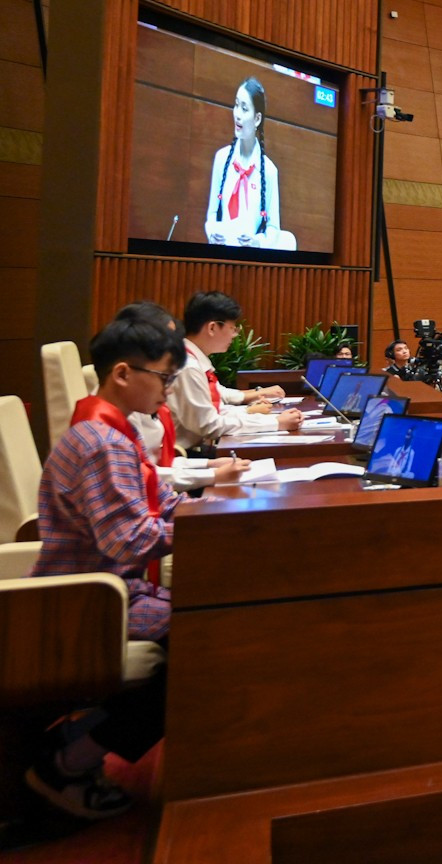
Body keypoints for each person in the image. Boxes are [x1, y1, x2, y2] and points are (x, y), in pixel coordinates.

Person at [29, 314, 250, 818]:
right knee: (207, 641)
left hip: (107, 588)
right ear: (124, 374)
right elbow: (128, 539)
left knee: (211, 622)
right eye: (165, 379)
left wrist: (213, 508)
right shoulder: (101, 442)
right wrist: (211, 525)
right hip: (86, 600)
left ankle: (80, 737)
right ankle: (68, 761)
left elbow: (157, 503)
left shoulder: (109, 425)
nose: (169, 394)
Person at [167, 291, 299, 450]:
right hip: (187, 455)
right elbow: (209, 425)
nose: (235, 335)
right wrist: (276, 422)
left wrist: (250, 411)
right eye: (232, 328)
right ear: (212, 327)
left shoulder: (194, 360)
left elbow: (218, 411)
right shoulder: (188, 366)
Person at [203, 76, 292, 248]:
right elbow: (211, 216)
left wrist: (257, 242)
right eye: (236, 105)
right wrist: (212, 233)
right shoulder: (222, 159)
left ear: (257, 119)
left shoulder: (269, 171)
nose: (237, 114)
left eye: (244, 109)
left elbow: (274, 229)